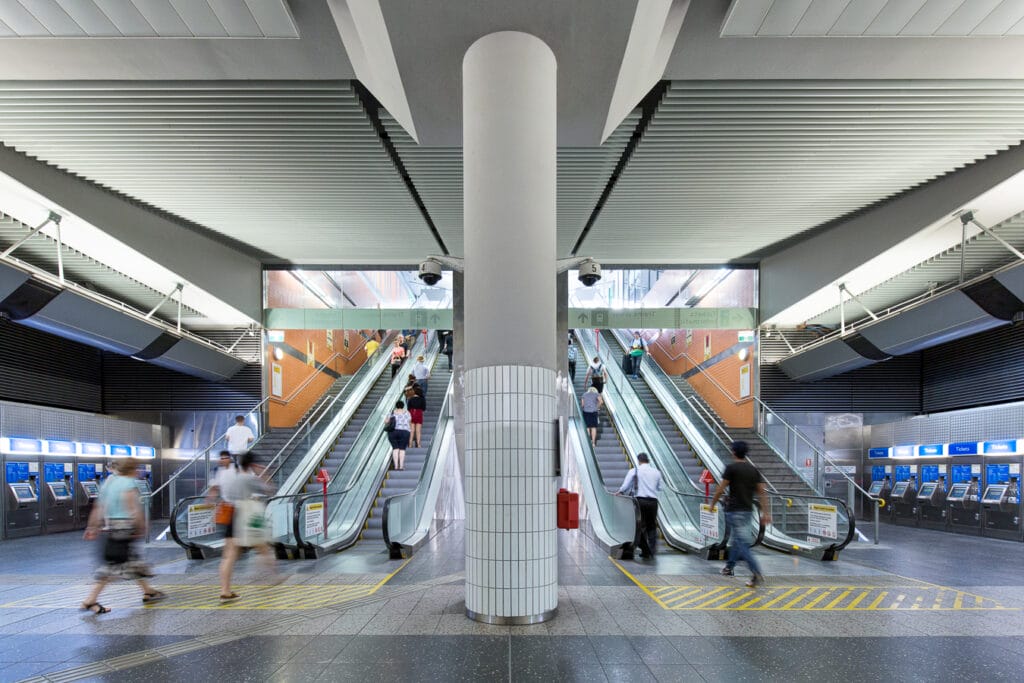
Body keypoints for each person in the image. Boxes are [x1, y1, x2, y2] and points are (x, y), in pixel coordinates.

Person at [81, 458, 164, 614]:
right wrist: (141, 525)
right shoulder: (129, 483)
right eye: (138, 468)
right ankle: (90, 600)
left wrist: (92, 526)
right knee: (115, 565)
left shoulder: (109, 482)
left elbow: (98, 507)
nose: (139, 471)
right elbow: (133, 508)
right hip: (126, 527)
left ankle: (148, 591)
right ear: (133, 469)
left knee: (131, 560)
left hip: (111, 525)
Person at [710, 440, 772, 588]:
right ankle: (729, 567)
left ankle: (756, 572)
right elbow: (762, 493)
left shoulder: (731, 468)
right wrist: (765, 513)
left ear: (733, 452)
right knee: (737, 540)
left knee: (742, 543)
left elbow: (720, 489)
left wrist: (712, 504)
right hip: (748, 511)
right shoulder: (753, 470)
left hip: (734, 510)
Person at [218, 452, 277, 601]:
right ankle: (274, 576)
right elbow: (270, 489)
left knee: (229, 555)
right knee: (261, 546)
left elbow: (229, 496)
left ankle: (225, 590)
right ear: (252, 465)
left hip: (230, 514)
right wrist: (264, 473)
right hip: (244, 517)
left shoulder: (234, 478)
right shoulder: (250, 478)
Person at [615, 453, 663, 559]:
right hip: (653, 502)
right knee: (651, 526)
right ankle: (652, 550)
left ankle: (646, 550)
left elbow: (626, 486)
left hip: (640, 501)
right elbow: (660, 488)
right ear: (648, 460)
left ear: (639, 461)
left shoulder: (634, 471)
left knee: (638, 527)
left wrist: (619, 491)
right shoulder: (656, 472)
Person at [386, 400, 412, 470]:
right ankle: (401, 466)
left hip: (393, 432)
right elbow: (410, 422)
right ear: (403, 406)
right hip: (404, 432)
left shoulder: (392, 412)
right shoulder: (407, 412)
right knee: (402, 449)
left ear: (396, 406)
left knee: (395, 448)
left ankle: (396, 466)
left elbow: (386, 421)